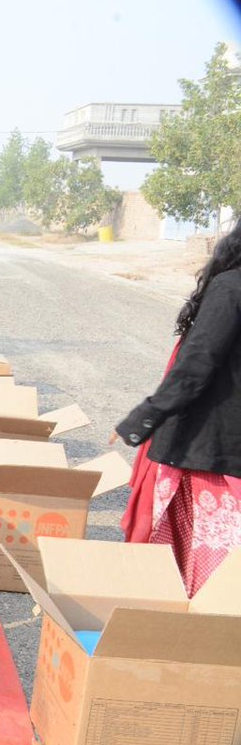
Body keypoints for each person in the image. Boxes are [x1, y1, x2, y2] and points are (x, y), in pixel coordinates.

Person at [115, 225, 241, 595]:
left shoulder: (231, 287)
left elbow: (197, 362)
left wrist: (144, 418)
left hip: (208, 455)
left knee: (195, 575)